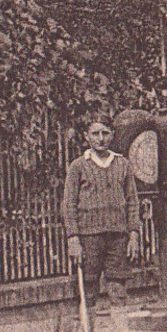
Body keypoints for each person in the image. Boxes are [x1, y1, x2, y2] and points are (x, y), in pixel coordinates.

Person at [62, 116, 141, 313]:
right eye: (95, 133)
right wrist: (73, 238)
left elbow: (132, 200)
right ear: (86, 136)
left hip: (117, 235)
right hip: (89, 236)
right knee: (88, 289)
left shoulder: (123, 164)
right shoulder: (78, 166)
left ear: (112, 135)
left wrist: (133, 233)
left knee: (118, 289)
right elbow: (69, 203)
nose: (100, 138)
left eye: (105, 133)